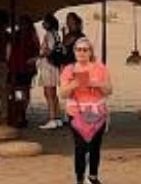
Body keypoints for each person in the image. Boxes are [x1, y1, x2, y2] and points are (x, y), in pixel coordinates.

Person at [59, 38, 112, 184]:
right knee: (81, 146)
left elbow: (109, 90)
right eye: (78, 49)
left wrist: (96, 83)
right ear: (74, 51)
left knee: (95, 146)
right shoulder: (69, 69)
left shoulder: (100, 68)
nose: (81, 53)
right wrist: (74, 84)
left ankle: (93, 176)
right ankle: (80, 178)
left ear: (90, 52)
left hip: (97, 112)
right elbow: (62, 93)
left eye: (85, 49)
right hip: (76, 112)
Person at [7, 15, 40, 127]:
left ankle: (21, 114)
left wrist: (33, 60)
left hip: (23, 67)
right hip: (16, 66)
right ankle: (17, 113)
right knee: (17, 91)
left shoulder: (31, 35)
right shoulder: (17, 35)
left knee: (22, 91)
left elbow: (37, 50)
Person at [37, 15, 65, 130]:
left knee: (48, 93)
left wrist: (38, 55)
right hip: (53, 66)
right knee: (53, 93)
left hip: (48, 66)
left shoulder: (49, 35)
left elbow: (48, 51)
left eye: (45, 22)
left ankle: (52, 118)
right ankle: (57, 117)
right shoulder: (56, 34)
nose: (43, 24)